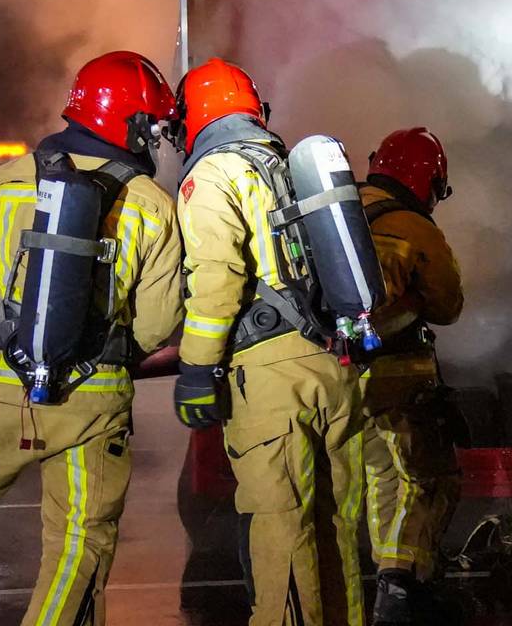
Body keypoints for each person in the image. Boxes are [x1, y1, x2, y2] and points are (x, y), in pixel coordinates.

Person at [0, 51, 183, 626]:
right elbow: (156, 322)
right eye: (152, 126)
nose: (155, 138)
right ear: (129, 123)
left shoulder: (2, 184)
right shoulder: (153, 204)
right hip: (91, 404)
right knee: (80, 539)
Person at [172, 57, 364, 626]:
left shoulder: (213, 175)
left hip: (270, 379)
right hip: (333, 367)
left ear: (194, 117)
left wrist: (195, 370)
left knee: (280, 530)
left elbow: (217, 280)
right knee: (334, 528)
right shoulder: (290, 166)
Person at [357, 127, 465, 625]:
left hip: (343, 377)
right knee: (429, 478)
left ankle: (389, 584)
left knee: (383, 479)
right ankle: (401, 587)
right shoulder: (414, 227)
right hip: (399, 375)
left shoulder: (342, 209)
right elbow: (448, 305)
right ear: (427, 181)